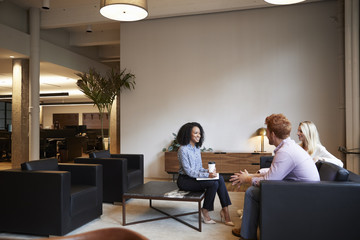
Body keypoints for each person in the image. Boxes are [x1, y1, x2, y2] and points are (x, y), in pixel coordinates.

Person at [230, 114, 320, 240]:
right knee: (253, 191)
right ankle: (247, 231)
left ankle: (247, 235)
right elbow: (274, 173)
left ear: (272, 134)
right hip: (302, 191)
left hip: (303, 196)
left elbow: (269, 182)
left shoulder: (285, 152)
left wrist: (247, 179)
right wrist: (250, 175)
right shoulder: (288, 147)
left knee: (252, 192)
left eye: (267, 132)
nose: (266, 135)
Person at [176, 122, 233, 226]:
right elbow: (189, 171)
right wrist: (207, 176)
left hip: (195, 178)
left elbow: (199, 168)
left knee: (219, 178)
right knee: (214, 183)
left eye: (200, 133)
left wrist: (207, 171)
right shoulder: (183, 149)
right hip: (185, 180)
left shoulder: (197, 148)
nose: (199, 135)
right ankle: (205, 211)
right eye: (196, 133)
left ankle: (225, 211)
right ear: (189, 134)